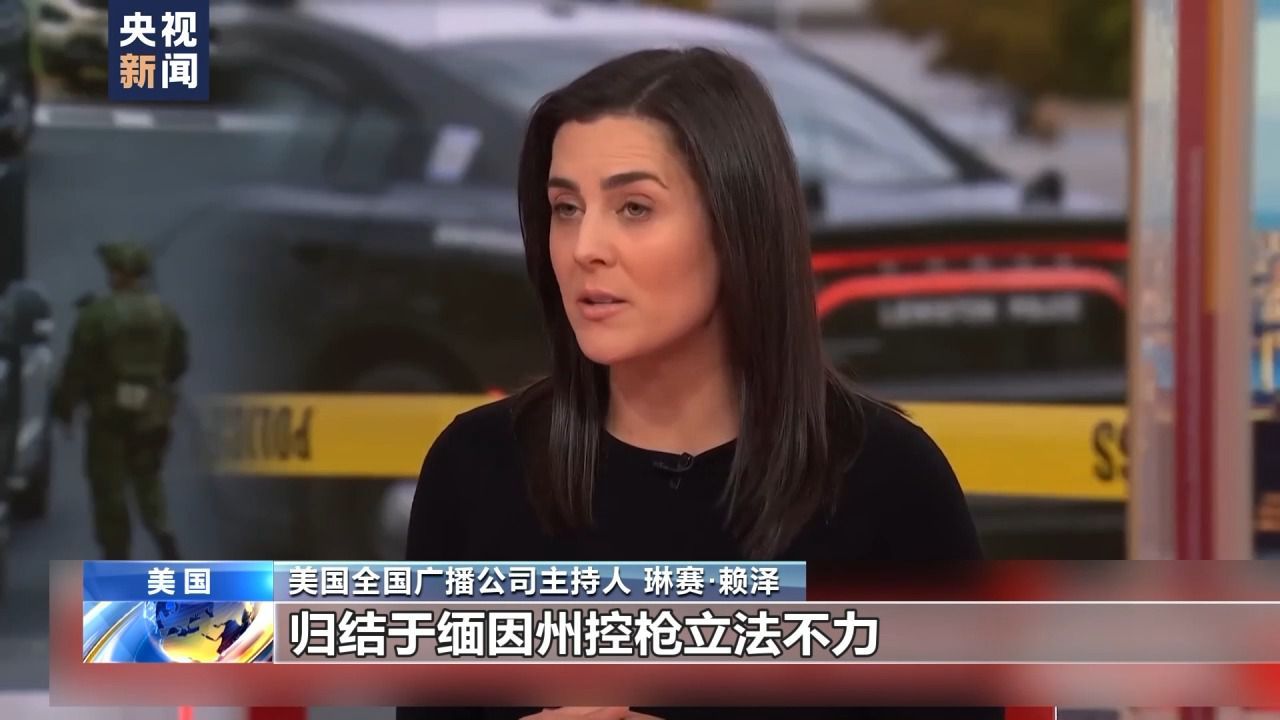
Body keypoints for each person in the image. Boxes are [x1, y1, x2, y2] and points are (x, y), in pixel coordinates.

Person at [400, 47, 993, 720]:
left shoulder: (887, 482)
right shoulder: (477, 469)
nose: (585, 247)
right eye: (566, 208)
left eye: (634, 208)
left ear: (737, 226)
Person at [52, 241, 188, 561]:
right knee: (148, 480)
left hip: (109, 417)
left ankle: (117, 557)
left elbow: (77, 368)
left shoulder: (96, 315)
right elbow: (178, 364)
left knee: (109, 489)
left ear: (119, 274)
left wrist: (64, 407)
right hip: (152, 416)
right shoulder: (166, 315)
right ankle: (163, 533)